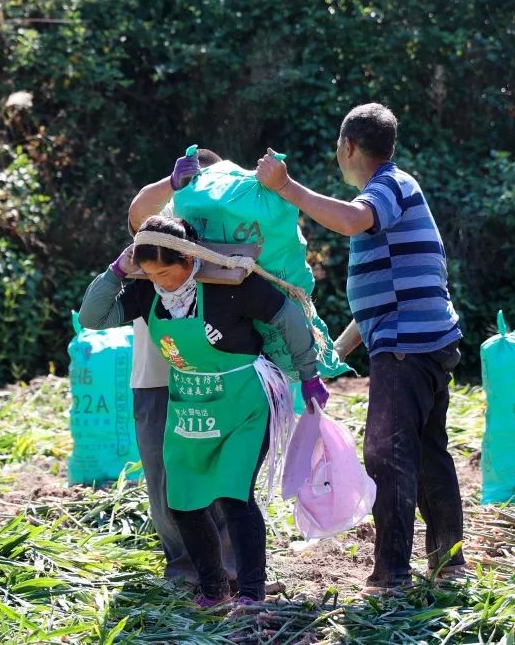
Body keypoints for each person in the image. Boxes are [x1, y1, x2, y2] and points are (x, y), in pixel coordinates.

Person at [255, 103, 466, 595]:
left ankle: (392, 575)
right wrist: (334, 353)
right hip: (423, 342)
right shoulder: (396, 191)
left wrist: (287, 188)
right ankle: (448, 562)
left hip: (406, 348)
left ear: (348, 146)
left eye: (338, 147)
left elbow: (352, 220)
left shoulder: (388, 187)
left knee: (387, 455)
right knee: (428, 452)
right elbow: (384, 299)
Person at [78, 216, 328, 605]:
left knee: (234, 497)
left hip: (243, 404)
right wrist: (117, 271)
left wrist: (310, 375)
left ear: (188, 258)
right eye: (150, 273)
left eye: (166, 272)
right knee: (184, 503)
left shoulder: (230, 285)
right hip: (190, 408)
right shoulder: (147, 293)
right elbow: (92, 318)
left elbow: (288, 317)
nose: (160, 281)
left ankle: (251, 595)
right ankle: (214, 590)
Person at [125, 149, 238, 588]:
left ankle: (229, 566)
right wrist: (171, 184)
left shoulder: (229, 236)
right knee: (163, 476)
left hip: (215, 376)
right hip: (156, 376)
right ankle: (184, 568)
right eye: (197, 184)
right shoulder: (164, 230)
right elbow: (137, 212)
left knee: (220, 471)